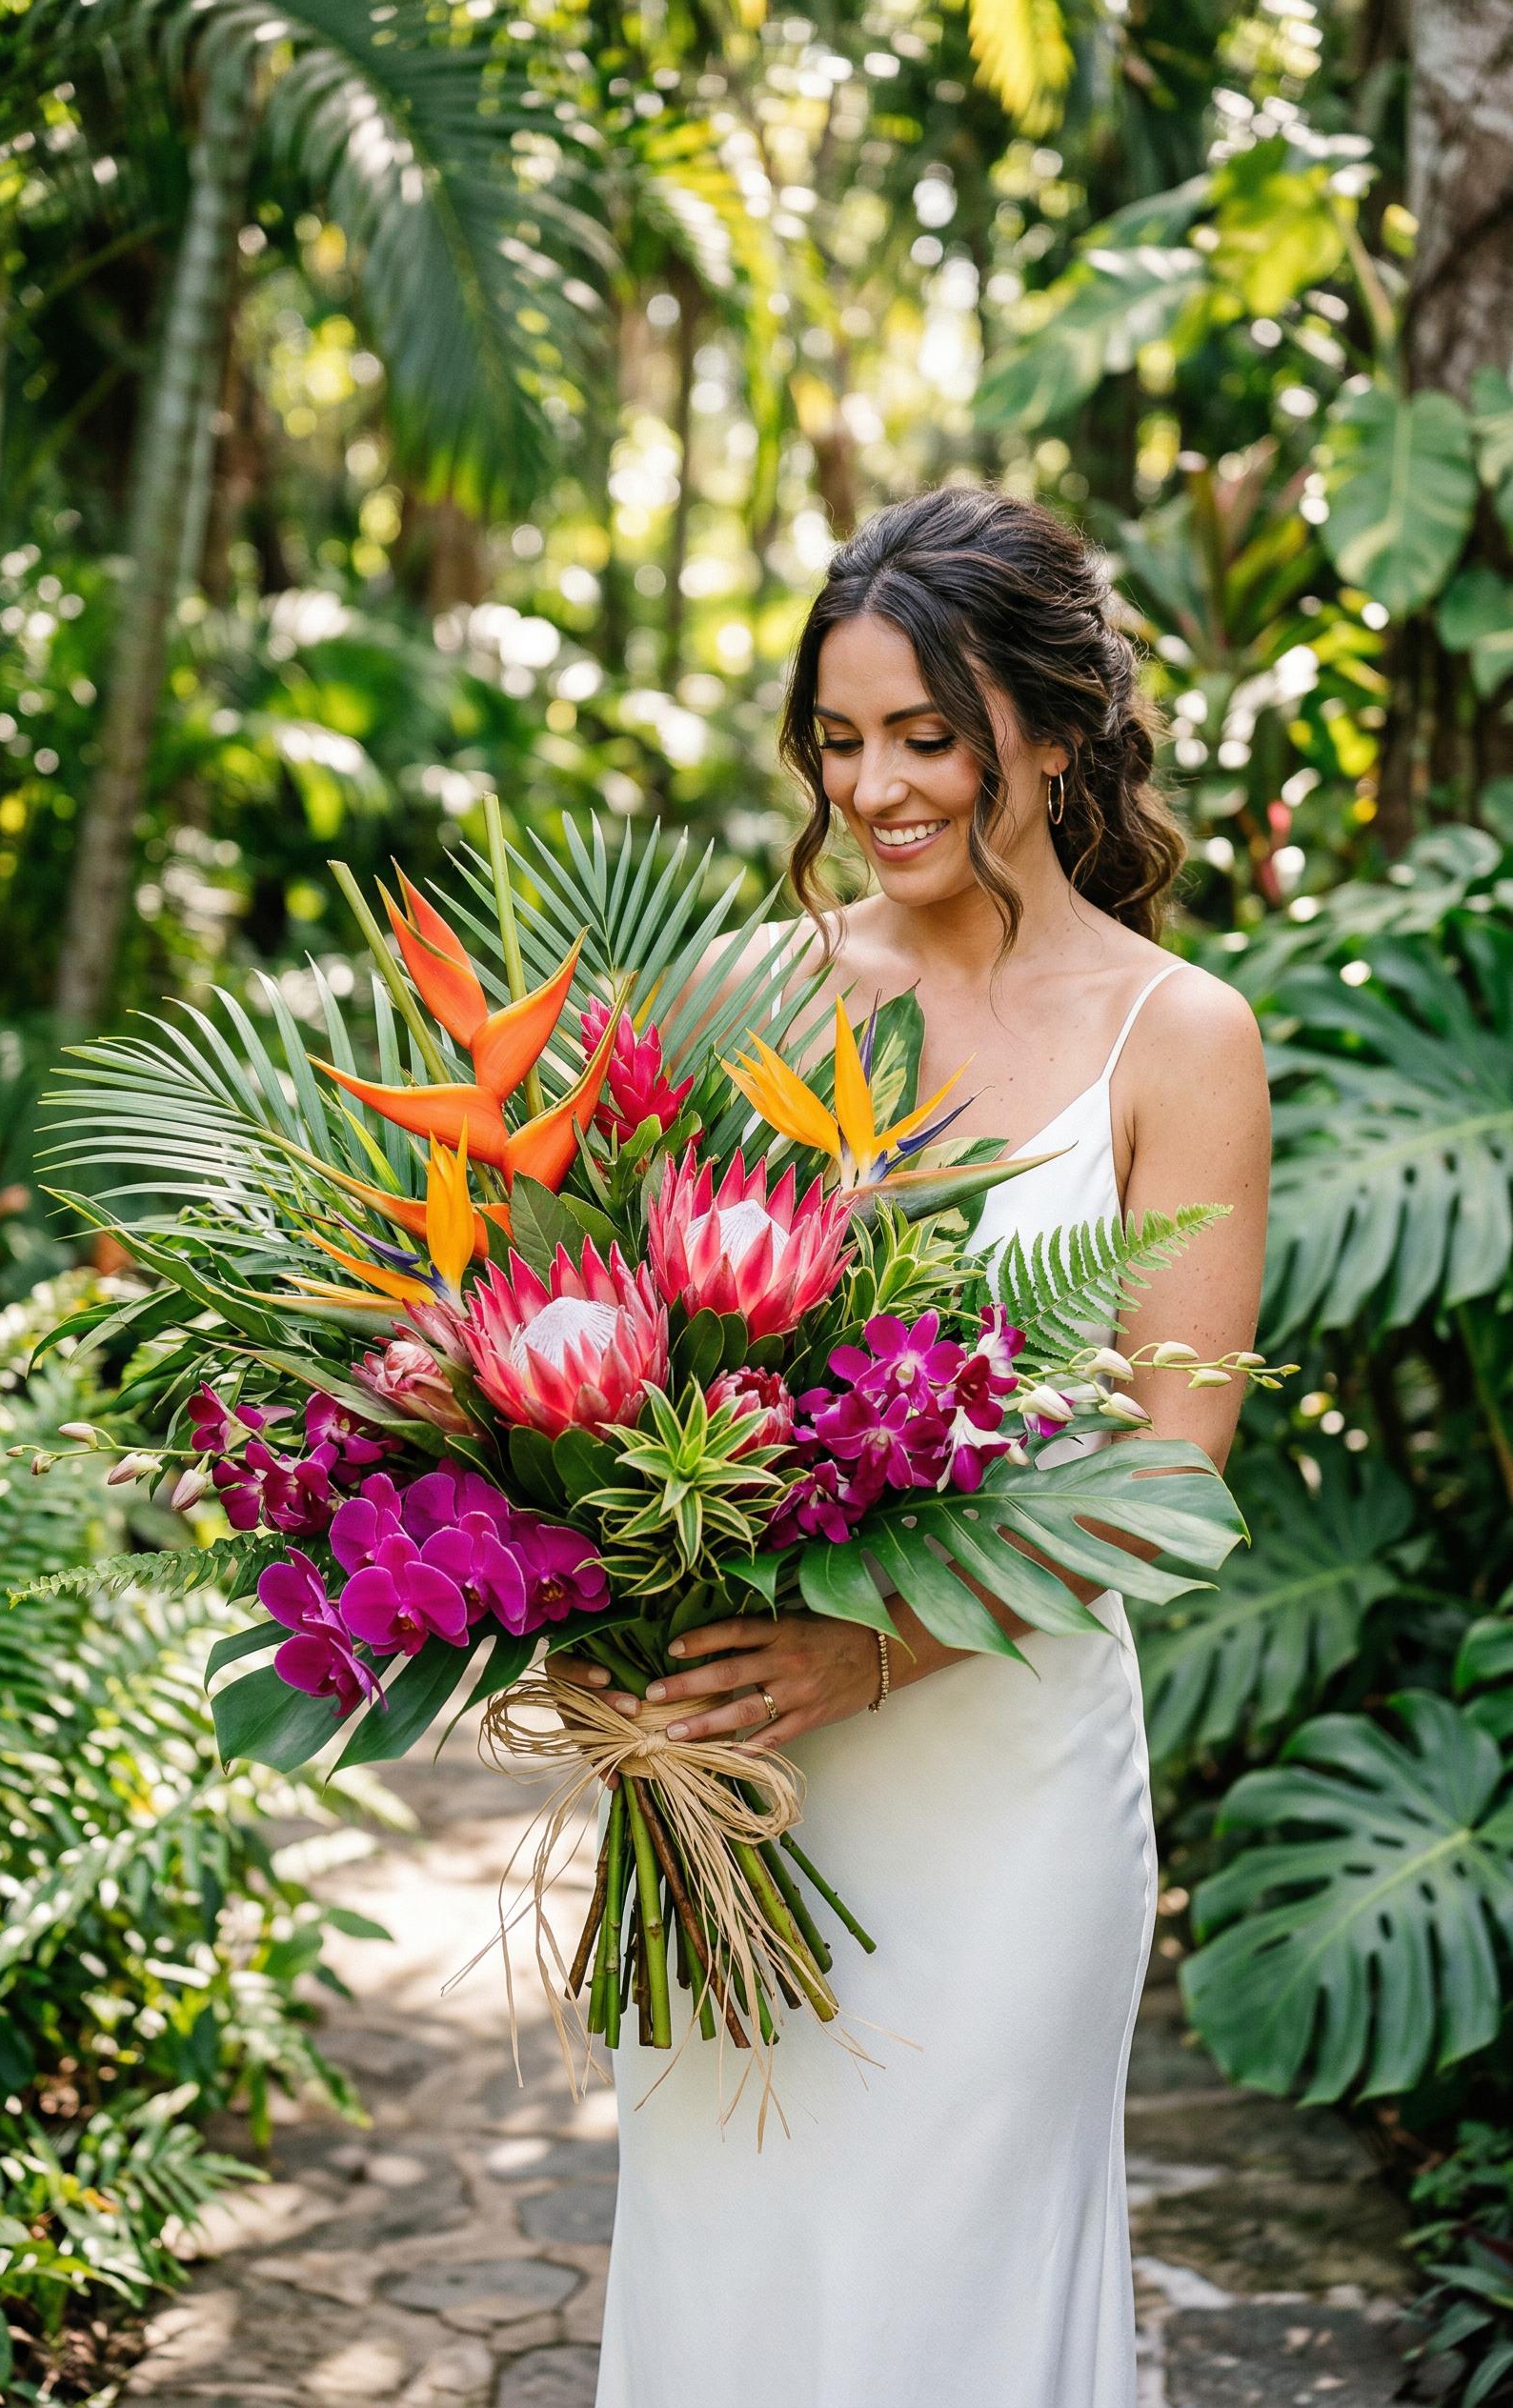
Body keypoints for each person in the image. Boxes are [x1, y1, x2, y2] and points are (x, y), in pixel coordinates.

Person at [558, 485, 1272, 2408]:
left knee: (952, 2300)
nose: (878, 787)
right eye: (840, 738)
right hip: (741, 1792)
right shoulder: (735, 993)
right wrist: (570, 1571)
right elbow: (611, 1353)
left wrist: (865, 1651)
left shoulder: (1178, 1037)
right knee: (734, 2274)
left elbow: (1172, 1472)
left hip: (1005, 1783)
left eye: (926, 735)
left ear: (1043, 731)